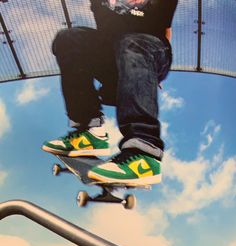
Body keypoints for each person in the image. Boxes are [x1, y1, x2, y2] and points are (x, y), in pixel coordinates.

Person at [42, 0, 178, 186]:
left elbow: (166, 29)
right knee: (69, 38)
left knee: (132, 42)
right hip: (114, 55)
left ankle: (144, 152)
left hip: (150, 48)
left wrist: (153, 74)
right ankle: (90, 131)